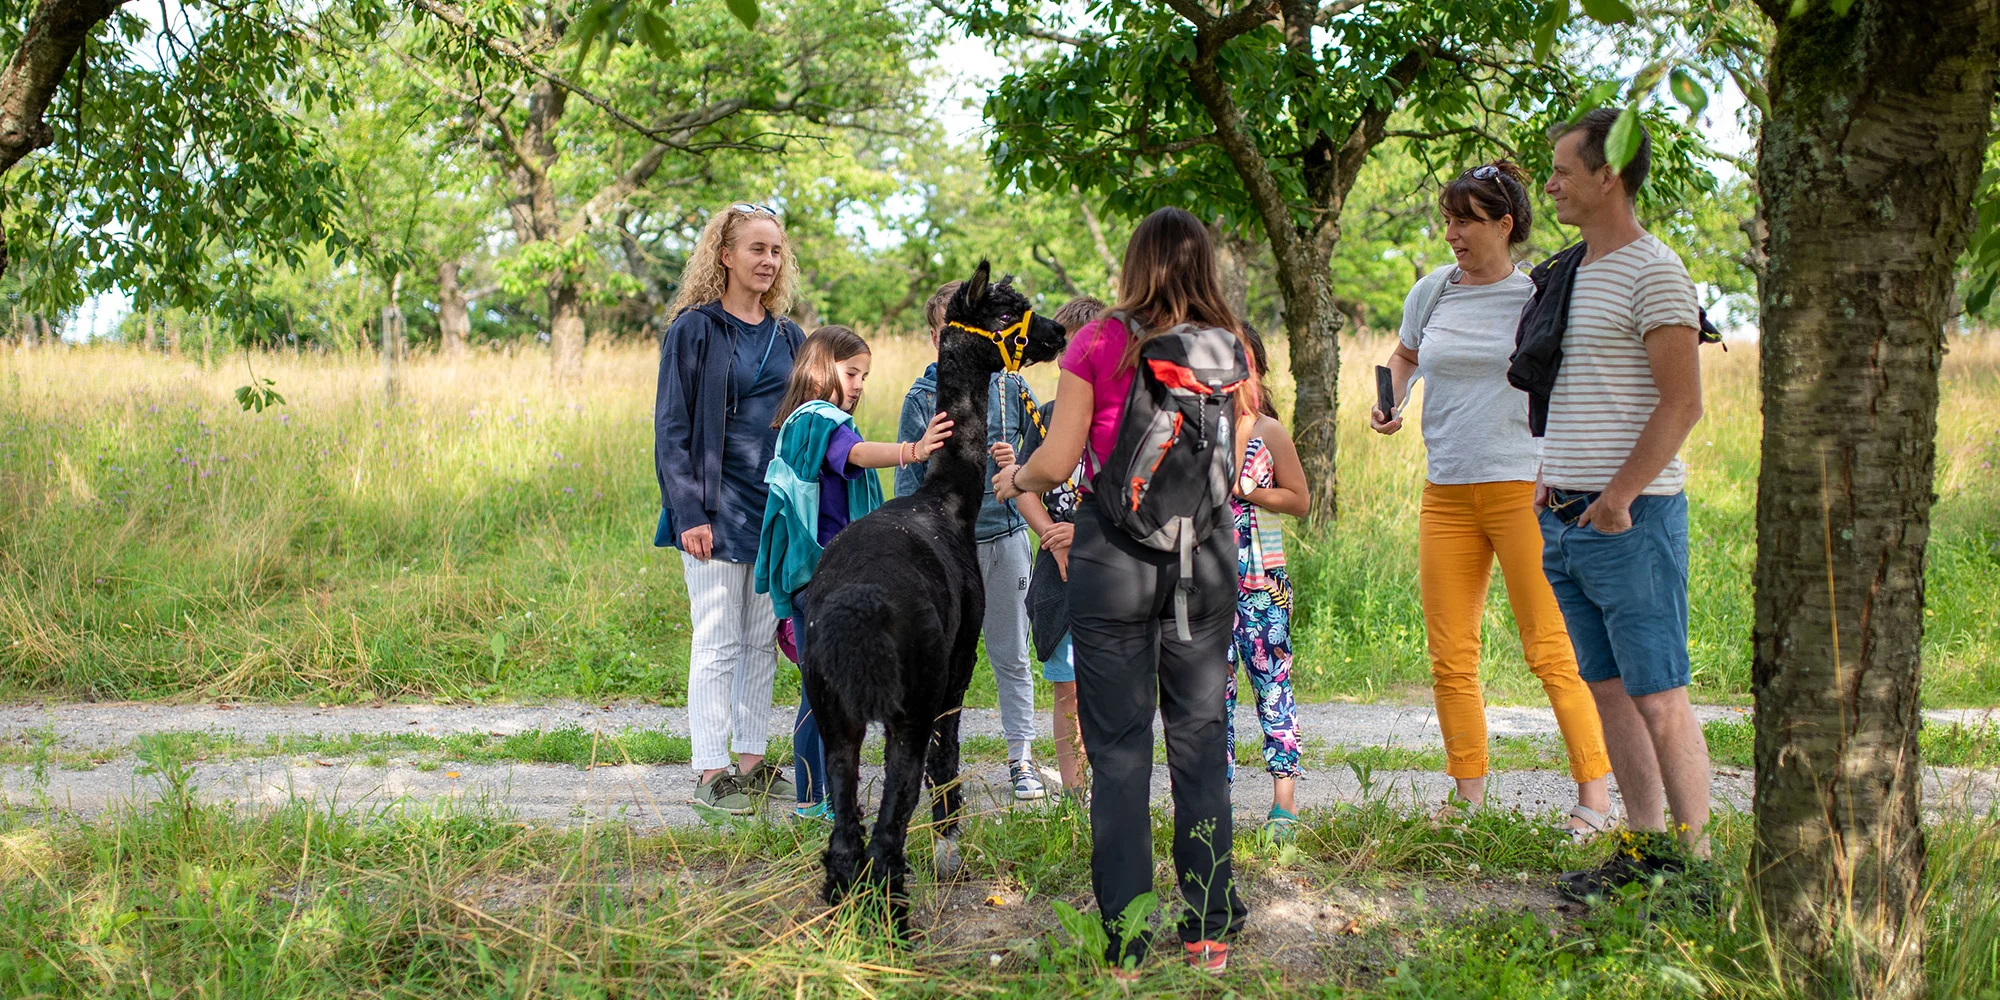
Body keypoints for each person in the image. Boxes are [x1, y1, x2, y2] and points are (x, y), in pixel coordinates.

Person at [993, 207, 1251, 976]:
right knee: (1199, 745)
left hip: (1113, 565)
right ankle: (1208, 931)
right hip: (1203, 562)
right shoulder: (1229, 344)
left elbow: (1058, 458)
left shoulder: (1100, 340)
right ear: (1203, 263)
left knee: (1118, 754)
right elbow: (1236, 459)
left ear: (1134, 263)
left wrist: (1017, 478)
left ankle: (1129, 942)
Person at [1368, 161, 1616, 841]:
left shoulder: (1538, 295)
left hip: (1520, 491)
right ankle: (1467, 799)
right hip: (1445, 492)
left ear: (1505, 225)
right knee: (1450, 654)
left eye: (1466, 221)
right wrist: (1392, 400)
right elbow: (1404, 356)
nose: (1452, 233)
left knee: (1550, 650)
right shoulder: (1431, 292)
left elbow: (1570, 384)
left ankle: (1594, 798)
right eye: (1448, 220)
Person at [1534, 109, 1711, 898]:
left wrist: (1618, 497)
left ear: (1608, 176)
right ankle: (1643, 853)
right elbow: (1577, 390)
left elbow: (1682, 403)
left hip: (1632, 521)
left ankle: (1695, 870)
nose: (1550, 185)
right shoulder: (1570, 270)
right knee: (1607, 692)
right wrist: (1551, 474)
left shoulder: (1656, 271)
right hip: (1565, 518)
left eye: (1563, 171)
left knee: (1659, 696)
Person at [755, 326, 954, 820]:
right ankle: (812, 800)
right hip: (824, 574)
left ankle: (818, 794)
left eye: (865, 375)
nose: (860, 384)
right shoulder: (820, 420)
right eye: (851, 373)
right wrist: (914, 450)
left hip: (810, 575)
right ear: (820, 371)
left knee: (823, 686)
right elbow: (857, 454)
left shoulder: (799, 423)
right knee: (821, 690)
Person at [654, 202, 806, 816]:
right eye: (756, 249)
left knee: (760, 641)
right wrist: (689, 513)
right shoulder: (694, 330)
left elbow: (811, 422)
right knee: (717, 640)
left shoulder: (791, 336)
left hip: (774, 512)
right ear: (724, 255)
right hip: (715, 510)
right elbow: (672, 430)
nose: (769, 261)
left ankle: (750, 761)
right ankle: (711, 771)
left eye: (776, 251)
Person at [897, 283, 1054, 800]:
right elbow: (907, 482)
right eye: (949, 329)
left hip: (1003, 536)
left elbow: (1047, 453)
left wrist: (1018, 464)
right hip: (945, 550)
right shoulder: (922, 398)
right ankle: (933, 761)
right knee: (938, 659)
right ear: (936, 337)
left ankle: (1021, 758)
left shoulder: (1011, 386)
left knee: (1011, 655)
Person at [1225, 325, 1310, 842]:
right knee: (1209, 696)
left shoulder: (1268, 431)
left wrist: (1249, 492)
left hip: (1262, 586)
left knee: (1272, 687)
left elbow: (1300, 499)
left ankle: (1284, 804)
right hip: (1206, 581)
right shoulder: (1194, 427)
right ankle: (1214, 801)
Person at [1023, 294, 1107, 799]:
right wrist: (1052, 537)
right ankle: (1076, 794)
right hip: (1058, 572)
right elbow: (1022, 487)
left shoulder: (1119, 417)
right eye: (1067, 351)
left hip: (1108, 569)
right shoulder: (1047, 415)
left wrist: (1084, 534)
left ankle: (1110, 786)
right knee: (1067, 688)